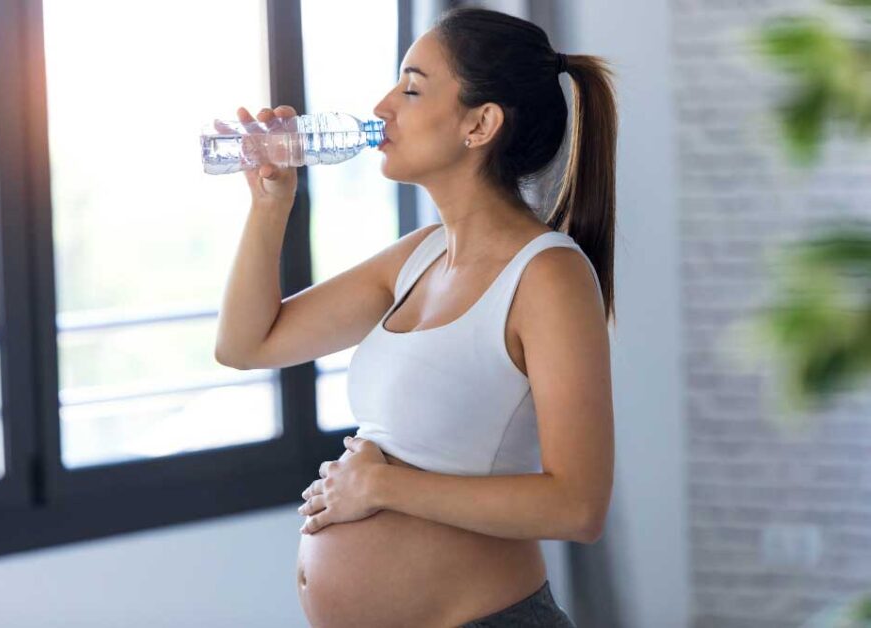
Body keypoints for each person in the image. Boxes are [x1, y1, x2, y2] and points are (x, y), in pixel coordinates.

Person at [215, 6, 617, 627]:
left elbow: (579, 505)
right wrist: (272, 204)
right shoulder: (418, 257)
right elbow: (246, 345)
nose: (381, 107)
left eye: (410, 87)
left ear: (480, 123)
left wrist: (380, 487)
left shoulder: (548, 275)